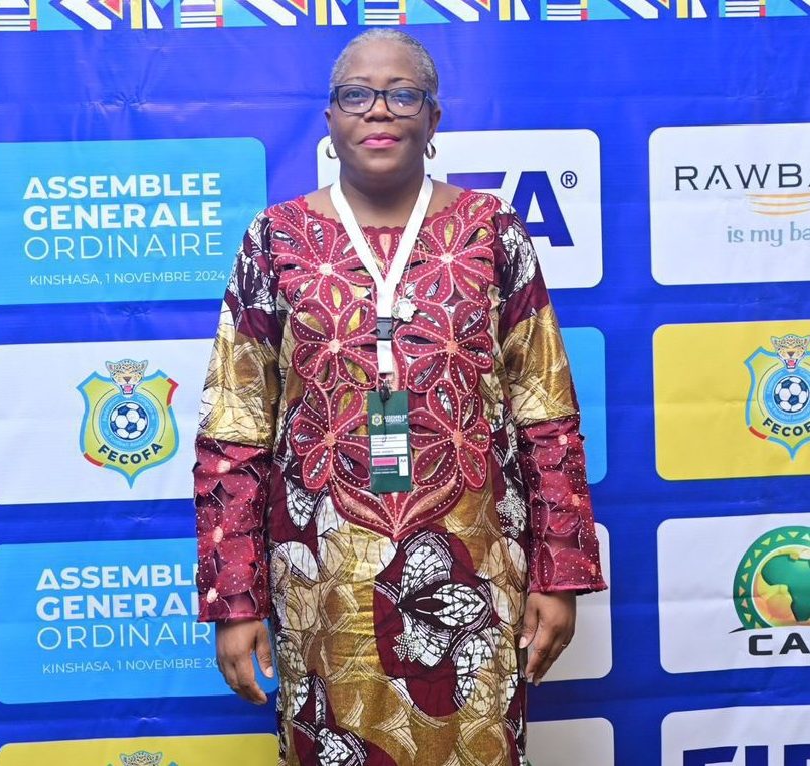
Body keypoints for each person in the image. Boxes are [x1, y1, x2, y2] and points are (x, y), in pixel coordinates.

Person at [193, 28, 606, 766]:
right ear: (330, 117)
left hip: (478, 571)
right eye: (357, 94)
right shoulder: (274, 240)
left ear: (434, 117)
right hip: (320, 581)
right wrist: (234, 598)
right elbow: (235, 425)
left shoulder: (492, 232)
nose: (378, 110)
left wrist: (561, 573)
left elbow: (546, 412)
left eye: (402, 94)